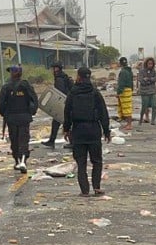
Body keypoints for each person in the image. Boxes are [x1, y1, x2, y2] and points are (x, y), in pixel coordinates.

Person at [64, 66, 112, 197]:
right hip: (93, 130)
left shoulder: (73, 93)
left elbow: (67, 113)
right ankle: (96, 187)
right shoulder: (95, 93)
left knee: (81, 162)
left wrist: (66, 129)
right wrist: (106, 130)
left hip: (78, 131)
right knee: (96, 161)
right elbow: (103, 113)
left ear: (78, 77)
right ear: (89, 77)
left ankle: (84, 190)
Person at [0, 64, 39, 173]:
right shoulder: (26, 86)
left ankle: (18, 161)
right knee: (23, 140)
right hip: (24, 118)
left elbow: (1, 104)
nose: (11, 74)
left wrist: (5, 115)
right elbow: (34, 100)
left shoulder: (6, 87)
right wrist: (31, 112)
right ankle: (23, 161)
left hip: (12, 118)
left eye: (11, 71)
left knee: (15, 140)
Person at [42, 62, 74, 148]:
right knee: (58, 122)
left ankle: (72, 142)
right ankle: (52, 141)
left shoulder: (59, 78)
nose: (52, 70)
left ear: (56, 69)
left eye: (53, 68)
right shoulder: (63, 76)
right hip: (66, 102)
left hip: (63, 103)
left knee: (65, 122)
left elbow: (60, 92)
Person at [137, 57, 156, 125]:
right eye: (149, 63)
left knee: (154, 105)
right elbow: (141, 80)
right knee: (144, 106)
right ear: (146, 64)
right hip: (144, 92)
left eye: (151, 64)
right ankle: (141, 118)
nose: (150, 65)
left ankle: (153, 120)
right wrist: (149, 80)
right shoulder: (142, 71)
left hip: (152, 91)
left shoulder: (154, 71)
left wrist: (148, 79)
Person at [115, 57, 134, 130]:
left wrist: (118, 92)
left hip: (124, 91)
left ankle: (129, 124)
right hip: (129, 90)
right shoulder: (129, 71)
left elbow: (121, 83)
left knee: (126, 108)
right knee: (127, 107)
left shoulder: (123, 72)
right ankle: (128, 123)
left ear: (120, 63)